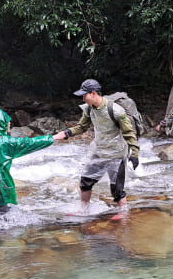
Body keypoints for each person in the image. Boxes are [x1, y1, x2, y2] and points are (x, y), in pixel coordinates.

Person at [58, 79, 140, 212]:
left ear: (94, 93)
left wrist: (135, 154)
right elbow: (82, 126)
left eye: (85, 95)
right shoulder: (89, 109)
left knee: (117, 189)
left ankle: (124, 215)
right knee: (85, 182)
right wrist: (68, 132)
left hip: (116, 154)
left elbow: (129, 133)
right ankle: (84, 210)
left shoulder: (116, 110)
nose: (83, 98)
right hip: (99, 151)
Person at [0, 105, 66, 219]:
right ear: (2, 123)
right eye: (8, 123)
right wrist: (53, 137)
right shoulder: (4, 142)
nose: (9, 126)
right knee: (2, 231)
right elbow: (29, 143)